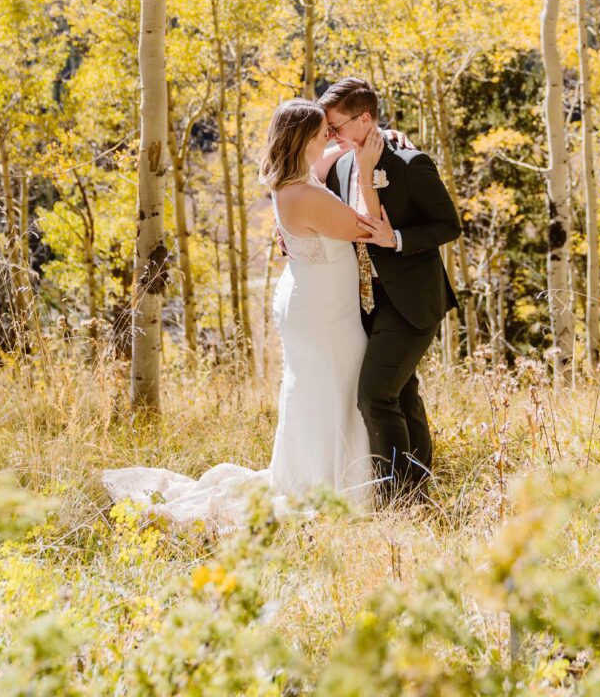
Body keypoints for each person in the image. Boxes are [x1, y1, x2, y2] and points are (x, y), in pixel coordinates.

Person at [102, 99, 395, 528]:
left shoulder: (291, 180)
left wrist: (350, 145)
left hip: (311, 299)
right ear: (302, 140)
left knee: (318, 387)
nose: (329, 138)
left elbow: (323, 160)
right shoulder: (307, 194)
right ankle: (330, 486)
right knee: (338, 384)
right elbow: (369, 227)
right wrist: (367, 168)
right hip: (323, 313)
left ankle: (312, 476)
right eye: (321, 133)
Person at [319, 77, 462, 506]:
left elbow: (449, 225)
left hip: (413, 302)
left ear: (365, 119)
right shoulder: (341, 164)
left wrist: (395, 238)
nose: (331, 135)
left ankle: (398, 499)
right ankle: (420, 487)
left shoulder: (410, 162)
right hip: (365, 304)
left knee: (375, 396)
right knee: (402, 392)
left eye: (336, 126)